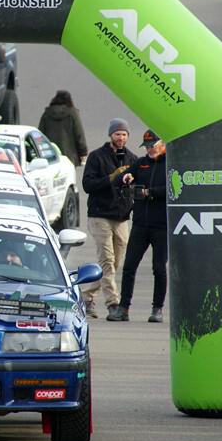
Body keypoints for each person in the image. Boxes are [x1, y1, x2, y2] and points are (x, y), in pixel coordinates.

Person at [81, 119, 138, 320]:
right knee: (107, 261)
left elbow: (137, 185)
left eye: (124, 134)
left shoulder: (132, 158)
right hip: (99, 215)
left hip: (122, 217)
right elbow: (87, 184)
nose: (120, 138)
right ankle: (113, 304)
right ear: (110, 135)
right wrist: (111, 178)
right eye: (117, 134)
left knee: (116, 264)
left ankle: (86, 295)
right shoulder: (97, 157)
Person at [111, 130, 167, 323]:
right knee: (129, 266)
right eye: (147, 147)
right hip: (141, 224)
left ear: (162, 145)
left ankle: (157, 308)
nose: (150, 150)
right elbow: (121, 178)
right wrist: (125, 178)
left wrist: (150, 192)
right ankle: (123, 307)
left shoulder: (171, 163)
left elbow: (174, 188)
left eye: (153, 146)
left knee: (159, 268)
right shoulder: (141, 163)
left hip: (161, 226)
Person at [37, 90, 88, 166]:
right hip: (69, 157)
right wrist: (83, 152)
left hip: (51, 155)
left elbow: (40, 134)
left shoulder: (47, 114)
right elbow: (79, 134)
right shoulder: (72, 113)